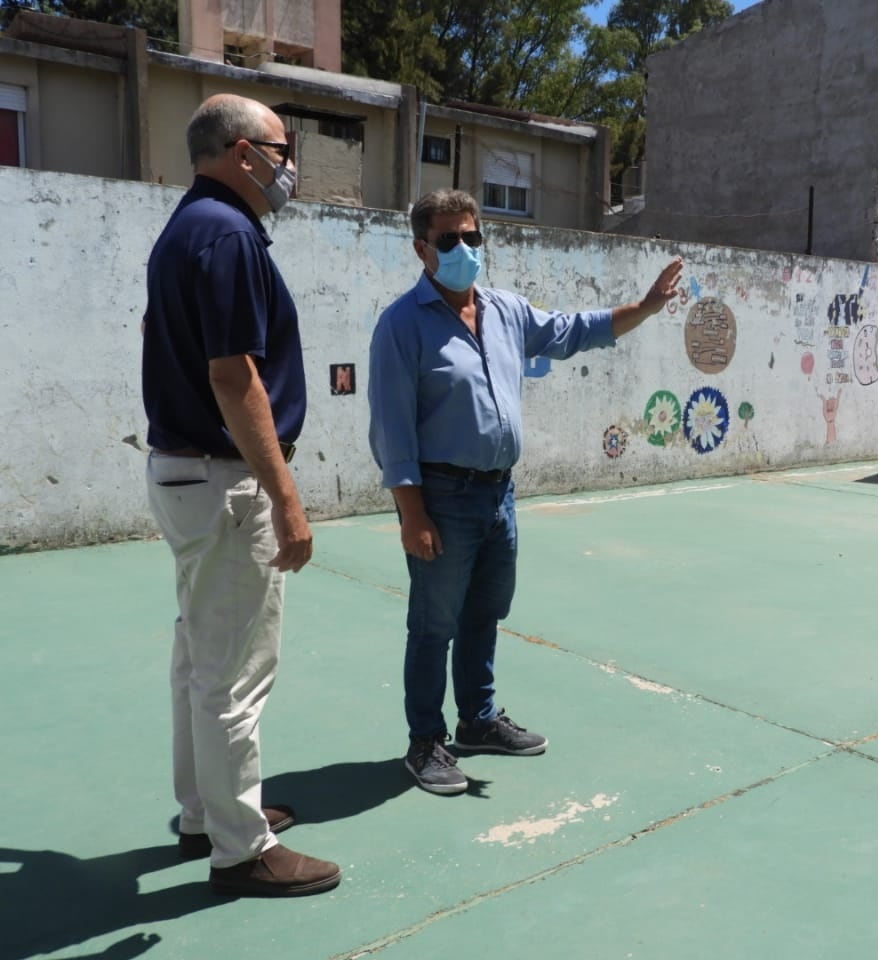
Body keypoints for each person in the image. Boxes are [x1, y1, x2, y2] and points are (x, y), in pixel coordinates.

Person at [368, 188, 682, 795]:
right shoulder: (401, 327)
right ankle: (425, 741)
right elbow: (391, 429)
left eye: (472, 236)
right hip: (442, 496)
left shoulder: (505, 311)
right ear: (421, 249)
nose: (464, 249)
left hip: (498, 496)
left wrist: (644, 307)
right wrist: (412, 513)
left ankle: (478, 720)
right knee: (435, 624)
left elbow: (575, 331)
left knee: (485, 611)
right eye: (448, 240)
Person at [141, 94, 340, 896]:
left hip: (188, 473)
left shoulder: (193, 226)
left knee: (200, 656)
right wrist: (285, 497)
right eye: (280, 147)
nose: (289, 162)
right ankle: (241, 849)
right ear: (237, 151)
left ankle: (206, 815)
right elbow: (234, 377)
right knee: (234, 672)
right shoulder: (225, 234)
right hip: (225, 480)